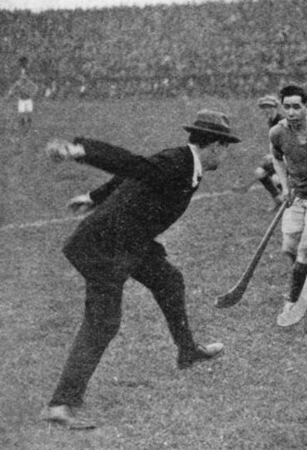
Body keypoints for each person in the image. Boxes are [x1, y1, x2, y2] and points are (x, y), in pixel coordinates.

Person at [40, 109, 238, 429]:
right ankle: (61, 404)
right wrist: (81, 150)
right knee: (103, 322)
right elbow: (131, 165)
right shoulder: (177, 163)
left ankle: (187, 352)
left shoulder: (185, 163)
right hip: (103, 246)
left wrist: (94, 197)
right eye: (226, 147)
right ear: (215, 145)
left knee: (169, 280)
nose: (226, 154)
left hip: (129, 241)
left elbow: (134, 174)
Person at [270, 85, 307, 321]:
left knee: (305, 250)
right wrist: (285, 187)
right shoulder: (277, 132)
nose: (291, 112)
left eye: (297, 107)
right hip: (295, 196)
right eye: (287, 107)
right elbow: (277, 159)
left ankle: (292, 301)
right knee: (289, 249)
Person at [233, 95, 285, 210]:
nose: (267, 110)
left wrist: (274, 154)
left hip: (287, 158)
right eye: (264, 107)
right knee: (259, 172)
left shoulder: (281, 122)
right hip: (278, 156)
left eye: (269, 107)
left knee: (277, 179)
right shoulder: (271, 121)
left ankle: (289, 202)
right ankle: (277, 200)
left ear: (276, 107)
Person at [5, 66, 38, 131]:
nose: (23, 77)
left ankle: (29, 126)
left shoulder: (29, 82)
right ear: (20, 76)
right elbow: (12, 89)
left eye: (25, 76)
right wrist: (10, 93)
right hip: (21, 100)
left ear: (27, 76)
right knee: (21, 113)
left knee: (29, 113)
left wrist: (33, 93)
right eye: (22, 76)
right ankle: (22, 126)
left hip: (28, 100)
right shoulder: (18, 83)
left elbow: (36, 87)